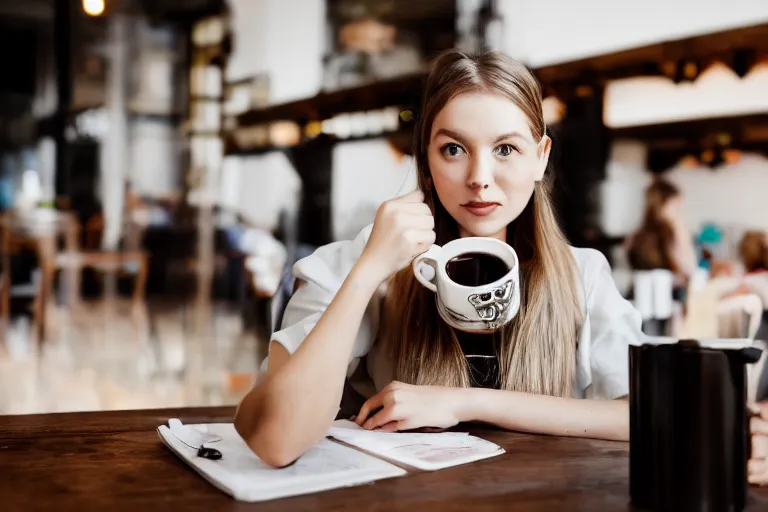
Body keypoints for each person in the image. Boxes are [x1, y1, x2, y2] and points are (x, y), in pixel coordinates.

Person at [233, 50, 768, 484]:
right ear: (426, 161)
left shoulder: (582, 275)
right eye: (453, 149)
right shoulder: (359, 264)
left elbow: (648, 412)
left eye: (506, 149)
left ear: (540, 157)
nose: (479, 178)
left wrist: (461, 400)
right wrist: (368, 271)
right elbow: (273, 439)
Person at [625, 179, 698, 289]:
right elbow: (689, 270)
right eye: (676, 205)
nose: (679, 210)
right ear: (663, 204)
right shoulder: (674, 233)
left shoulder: (635, 235)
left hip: (637, 295)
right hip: (666, 298)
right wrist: (681, 231)